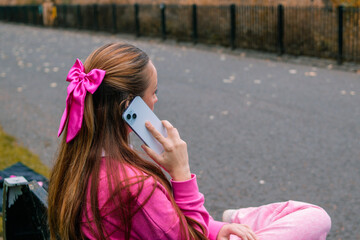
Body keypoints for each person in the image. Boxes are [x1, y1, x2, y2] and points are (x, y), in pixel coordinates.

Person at [48, 43, 331, 240]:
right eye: (153, 92)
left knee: (294, 213)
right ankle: (235, 221)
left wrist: (214, 229)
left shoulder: (75, 165)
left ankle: (229, 222)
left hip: (190, 226)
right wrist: (181, 174)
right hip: (190, 228)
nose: (156, 100)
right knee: (315, 217)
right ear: (129, 109)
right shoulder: (134, 186)